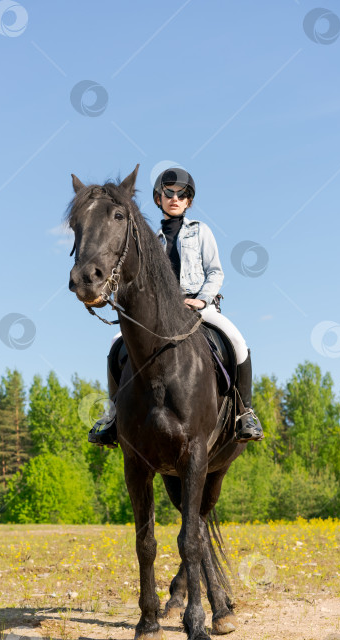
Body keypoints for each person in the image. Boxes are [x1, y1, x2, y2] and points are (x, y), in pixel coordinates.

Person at [89, 167, 264, 447]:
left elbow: (216, 272)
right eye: (168, 193)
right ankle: (112, 417)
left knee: (237, 341)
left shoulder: (201, 231)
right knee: (115, 344)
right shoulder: (149, 238)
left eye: (182, 194)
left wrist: (202, 299)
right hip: (159, 314)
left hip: (197, 306)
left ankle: (245, 412)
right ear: (158, 199)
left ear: (188, 201)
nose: (175, 198)